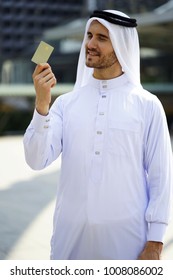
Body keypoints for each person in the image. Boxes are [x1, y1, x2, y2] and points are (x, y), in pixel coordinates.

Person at [23, 10, 173, 260]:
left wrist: (155, 242)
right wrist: (41, 104)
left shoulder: (147, 105)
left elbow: (161, 176)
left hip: (128, 243)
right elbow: (36, 160)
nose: (90, 44)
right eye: (89, 35)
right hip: (69, 242)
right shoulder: (65, 104)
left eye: (102, 38)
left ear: (122, 45)